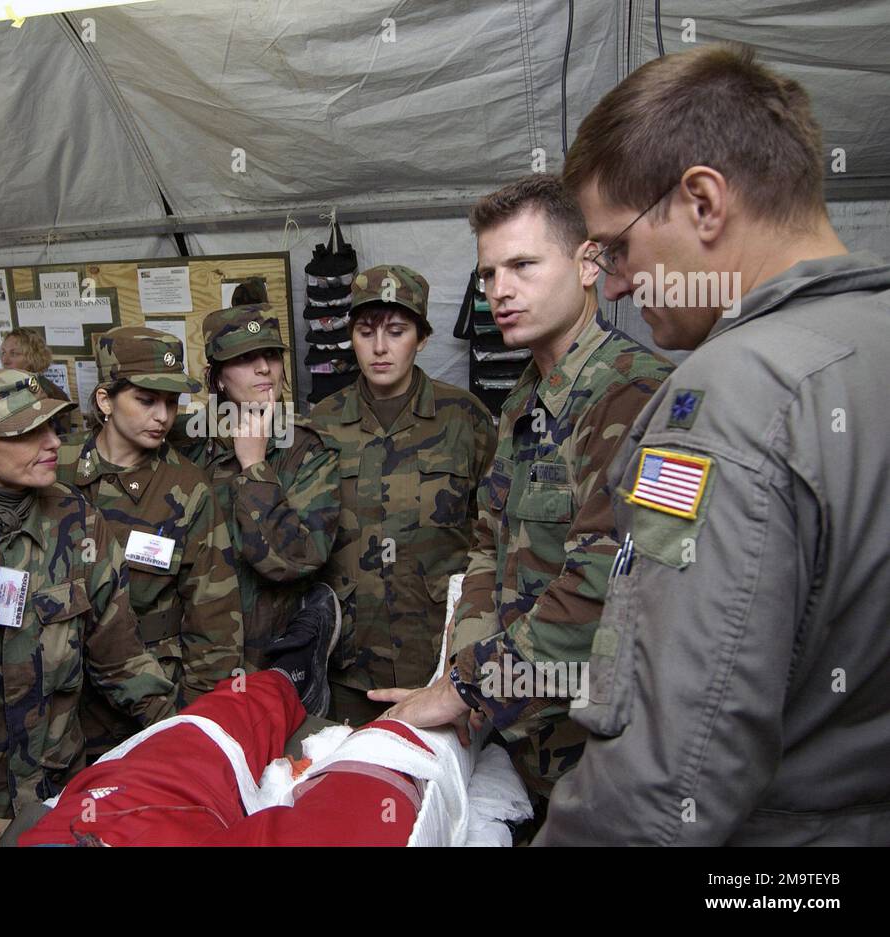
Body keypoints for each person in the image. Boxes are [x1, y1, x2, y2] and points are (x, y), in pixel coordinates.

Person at [536, 43, 890, 845]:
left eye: (616, 247)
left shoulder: (732, 396)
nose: (616, 283)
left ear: (702, 202)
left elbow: (666, 784)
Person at [372, 177, 672, 833]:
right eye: (487, 273)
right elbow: (487, 552)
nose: (499, 290)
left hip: (603, 755)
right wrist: (472, 694)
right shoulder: (521, 404)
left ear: (589, 264)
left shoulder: (633, 396)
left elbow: (602, 586)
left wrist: (464, 691)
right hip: (523, 740)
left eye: (523, 265)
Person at [0, 368, 180, 844]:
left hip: (56, 793)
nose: (52, 443)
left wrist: (185, 729)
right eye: (28, 433)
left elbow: (120, 656)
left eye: (53, 427)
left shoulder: (77, 524)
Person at [13, 592, 434, 846]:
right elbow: (353, 823)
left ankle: (287, 679)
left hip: (90, 812)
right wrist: (399, 731)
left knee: (218, 718)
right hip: (169, 814)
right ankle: (298, 685)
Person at [312, 265, 497, 725]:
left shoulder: (464, 418)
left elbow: (494, 536)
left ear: (423, 338)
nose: (379, 348)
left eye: (396, 331)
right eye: (365, 331)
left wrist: (471, 649)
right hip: (349, 665)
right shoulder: (321, 423)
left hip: (441, 661)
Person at [57, 326, 245, 758]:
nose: (163, 416)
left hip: (149, 702)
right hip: (59, 703)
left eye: (172, 402)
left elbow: (214, 619)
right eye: (146, 400)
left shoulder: (186, 488)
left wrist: (195, 721)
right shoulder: (55, 468)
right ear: (105, 401)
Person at [173, 302, 341, 668]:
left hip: (275, 659)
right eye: (245, 358)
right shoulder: (187, 445)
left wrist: (254, 466)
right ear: (215, 377)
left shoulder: (306, 447)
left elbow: (299, 557)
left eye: (271, 355)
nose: (264, 368)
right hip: (196, 656)